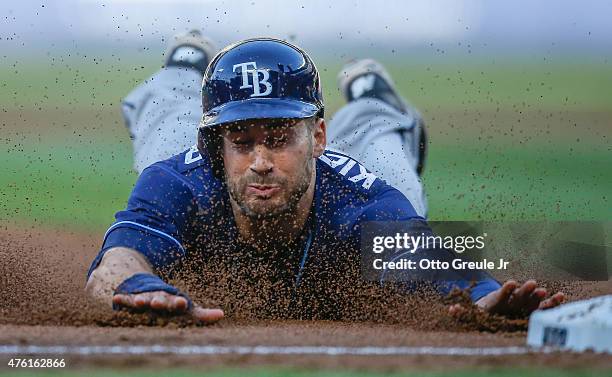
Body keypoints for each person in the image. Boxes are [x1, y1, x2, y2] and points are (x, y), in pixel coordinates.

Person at [85, 31, 564, 323]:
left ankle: (371, 97)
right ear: (215, 147)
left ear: (316, 135)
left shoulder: (367, 205)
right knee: (165, 127)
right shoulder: (179, 184)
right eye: (242, 141)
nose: (260, 161)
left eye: (279, 137)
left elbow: (444, 273)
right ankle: (185, 67)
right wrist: (137, 286)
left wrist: (485, 300)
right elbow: (115, 264)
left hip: (353, 183)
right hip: (194, 156)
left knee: (390, 165)